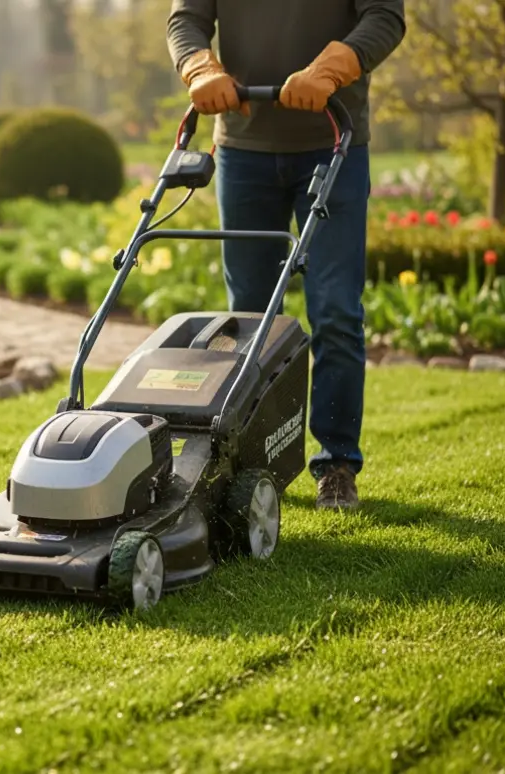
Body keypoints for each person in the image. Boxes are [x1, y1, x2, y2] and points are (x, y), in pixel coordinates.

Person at [166, 0, 405, 509]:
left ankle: (336, 463)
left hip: (333, 137)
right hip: (242, 148)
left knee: (335, 307)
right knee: (248, 316)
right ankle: (247, 457)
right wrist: (200, 66)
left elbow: (385, 17)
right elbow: (185, 19)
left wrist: (327, 69)